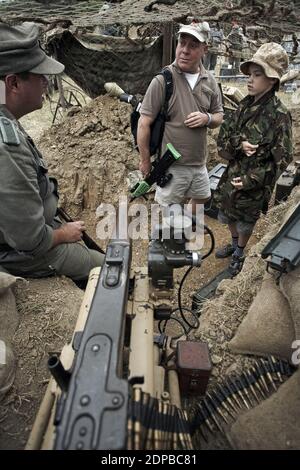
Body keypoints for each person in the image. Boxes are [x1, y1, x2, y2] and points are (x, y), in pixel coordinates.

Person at [0, 22, 105, 288]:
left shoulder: (6, 118)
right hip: (22, 253)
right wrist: (62, 234)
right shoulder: (6, 146)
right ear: (13, 83)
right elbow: (29, 240)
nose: (47, 82)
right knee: (108, 270)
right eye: (39, 76)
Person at [214, 42, 293, 276]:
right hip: (233, 173)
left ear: (272, 81)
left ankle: (240, 251)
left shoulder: (280, 115)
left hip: (254, 184)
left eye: (257, 75)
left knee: (246, 222)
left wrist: (253, 180)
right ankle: (235, 241)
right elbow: (223, 139)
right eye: (250, 74)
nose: (250, 80)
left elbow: (283, 159)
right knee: (226, 214)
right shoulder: (243, 105)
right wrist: (239, 144)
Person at [137, 23, 223, 214]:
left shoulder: (209, 81)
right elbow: (143, 123)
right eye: (181, 43)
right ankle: (169, 240)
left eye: (192, 45)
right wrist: (145, 161)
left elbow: (219, 116)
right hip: (172, 165)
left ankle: (182, 228)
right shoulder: (163, 80)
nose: (184, 50)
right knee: (169, 212)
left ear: (204, 49)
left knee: (202, 197)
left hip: (199, 163)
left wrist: (206, 118)